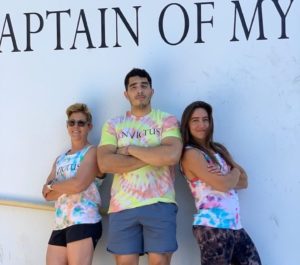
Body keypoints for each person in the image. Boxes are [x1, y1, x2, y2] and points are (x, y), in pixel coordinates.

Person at [97, 68, 182, 265]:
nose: (139, 90)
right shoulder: (114, 124)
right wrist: (155, 155)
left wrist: (129, 149)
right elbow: (105, 163)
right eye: (133, 87)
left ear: (152, 90)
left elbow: (172, 155)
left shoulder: (166, 120)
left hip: (160, 201)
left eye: (144, 85)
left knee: (159, 261)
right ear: (126, 94)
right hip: (122, 205)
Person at [180, 101, 261, 265]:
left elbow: (244, 180)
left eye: (205, 119)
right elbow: (223, 185)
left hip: (235, 226)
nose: (201, 125)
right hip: (212, 227)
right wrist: (233, 173)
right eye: (195, 120)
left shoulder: (219, 149)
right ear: (187, 124)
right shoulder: (191, 154)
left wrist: (230, 175)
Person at [42, 103, 102, 265]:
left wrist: (53, 185)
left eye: (81, 123)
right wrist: (62, 186)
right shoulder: (60, 159)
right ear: (67, 126)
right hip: (60, 223)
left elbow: (78, 185)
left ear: (89, 126)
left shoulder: (93, 152)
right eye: (72, 122)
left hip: (84, 219)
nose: (76, 126)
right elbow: (45, 194)